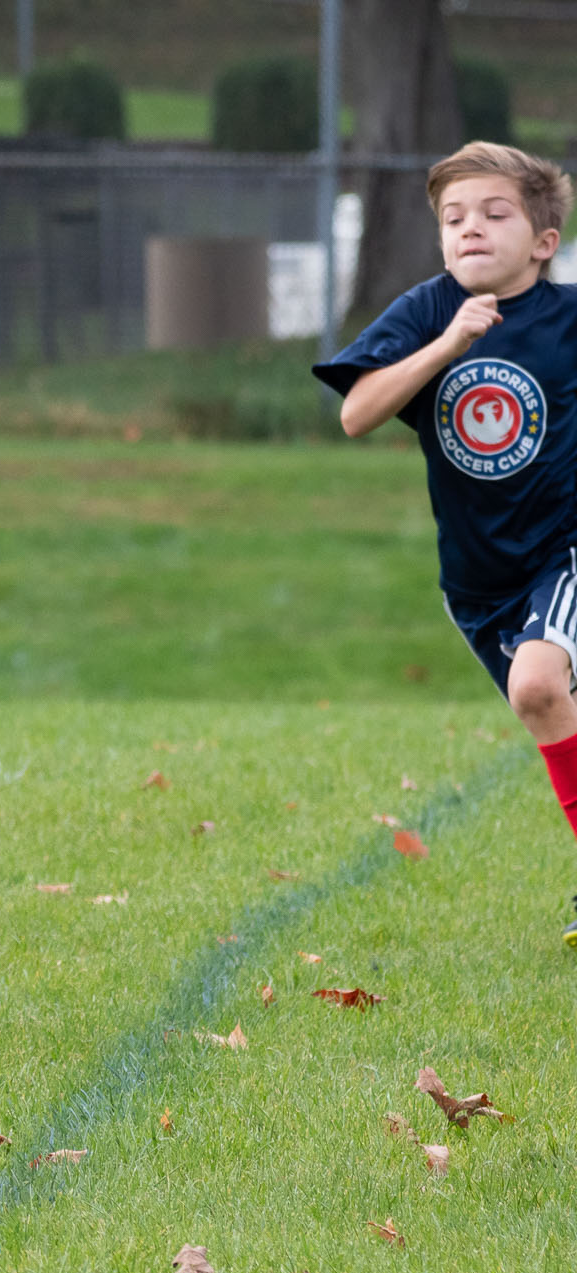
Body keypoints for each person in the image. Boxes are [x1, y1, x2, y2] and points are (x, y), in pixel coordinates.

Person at [314, 141, 577, 945]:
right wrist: (447, 346)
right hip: (475, 583)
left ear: (542, 241)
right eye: (453, 219)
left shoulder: (568, 321)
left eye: (496, 214)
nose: (471, 230)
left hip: (560, 553)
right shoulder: (429, 312)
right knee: (555, 713)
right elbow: (355, 415)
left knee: (538, 689)